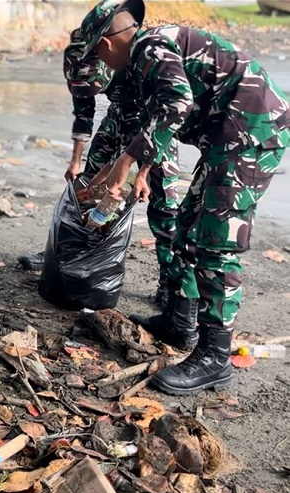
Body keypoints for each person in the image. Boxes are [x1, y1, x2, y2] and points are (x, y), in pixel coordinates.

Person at [79, 0, 290, 394]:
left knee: (216, 244)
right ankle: (181, 319)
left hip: (251, 134)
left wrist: (126, 162)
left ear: (105, 46)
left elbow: (178, 104)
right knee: (185, 226)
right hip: (227, 137)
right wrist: (137, 170)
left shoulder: (148, 48)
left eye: (98, 55)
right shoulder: (152, 48)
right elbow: (158, 120)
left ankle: (214, 357)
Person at [17, 28, 180, 310]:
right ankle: (65, 253)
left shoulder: (134, 59)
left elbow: (162, 117)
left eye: (93, 86)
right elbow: (83, 114)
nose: (88, 91)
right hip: (117, 118)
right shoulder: (80, 63)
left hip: (152, 127)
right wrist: (75, 160)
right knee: (88, 187)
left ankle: (169, 282)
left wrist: (142, 171)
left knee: (163, 203)